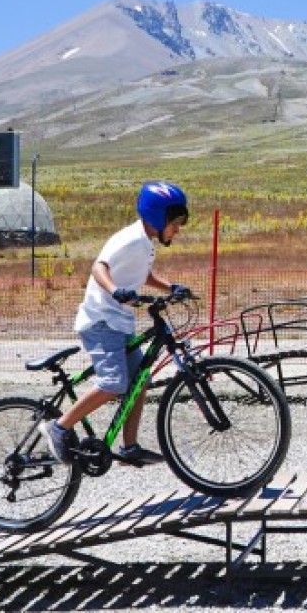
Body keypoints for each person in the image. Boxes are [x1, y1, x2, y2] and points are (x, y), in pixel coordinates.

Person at [45, 181, 191, 466]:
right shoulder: (131, 239)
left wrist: (171, 287)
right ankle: (59, 427)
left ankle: (129, 447)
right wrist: (114, 290)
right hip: (100, 320)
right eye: (175, 223)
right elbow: (99, 267)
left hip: (118, 321)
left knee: (140, 380)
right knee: (114, 383)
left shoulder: (145, 243)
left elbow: (142, 276)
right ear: (158, 217)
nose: (178, 229)